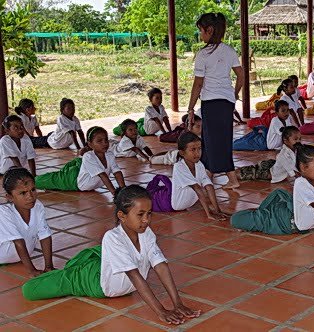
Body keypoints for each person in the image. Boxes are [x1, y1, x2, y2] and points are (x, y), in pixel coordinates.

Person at [22, 185, 201, 325]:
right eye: (140, 214)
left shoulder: (146, 232)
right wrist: (161, 311)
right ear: (122, 216)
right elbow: (135, 276)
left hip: (111, 266)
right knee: (30, 290)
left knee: (105, 254)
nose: (146, 220)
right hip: (94, 283)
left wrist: (177, 303)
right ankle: (81, 265)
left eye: (149, 214)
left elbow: (161, 266)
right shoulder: (112, 237)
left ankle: (95, 256)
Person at [187, 12, 243, 190]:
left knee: (212, 140)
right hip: (226, 102)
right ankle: (208, 174)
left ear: (209, 30)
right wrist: (233, 94)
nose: (200, 35)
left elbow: (198, 84)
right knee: (218, 140)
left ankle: (231, 178)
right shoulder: (229, 50)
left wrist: (190, 108)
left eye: (201, 31)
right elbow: (241, 75)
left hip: (211, 102)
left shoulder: (203, 55)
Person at [35, 127, 126, 194]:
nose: (105, 143)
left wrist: (123, 189)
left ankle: (78, 159)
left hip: (80, 170)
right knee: (50, 179)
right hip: (73, 180)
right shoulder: (89, 156)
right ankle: (29, 180)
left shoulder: (109, 154)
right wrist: (115, 193)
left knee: (78, 163)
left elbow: (117, 172)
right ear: (90, 144)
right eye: (99, 141)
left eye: (106, 140)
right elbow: (102, 175)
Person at [0, 168, 54, 277]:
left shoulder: (37, 206)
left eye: (33, 189)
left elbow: (45, 236)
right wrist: (32, 270)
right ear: (10, 197)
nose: (30, 196)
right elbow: (18, 242)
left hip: (21, 256)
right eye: (23, 193)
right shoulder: (4, 213)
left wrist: (49, 266)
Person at [171, 132, 228, 221]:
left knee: (207, 184)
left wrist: (218, 210)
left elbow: (209, 186)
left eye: (199, 148)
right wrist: (209, 214)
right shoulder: (178, 166)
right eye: (193, 149)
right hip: (179, 205)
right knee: (198, 186)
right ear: (182, 153)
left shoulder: (199, 164)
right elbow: (197, 188)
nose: (197, 153)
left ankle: (214, 209)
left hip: (191, 201)